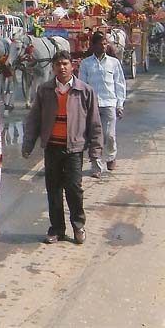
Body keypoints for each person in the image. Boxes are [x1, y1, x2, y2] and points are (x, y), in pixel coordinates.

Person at [22, 50, 103, 245]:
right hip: (52, 148)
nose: (62, 67)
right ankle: (56, 229)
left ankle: (78, 226)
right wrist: (28, 144)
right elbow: (34, 119)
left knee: (74, 189)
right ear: (53, 68)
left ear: (72, 66)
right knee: (54, 190)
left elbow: (95, 123)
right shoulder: (45, 90)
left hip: (74, 149)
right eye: (58, 64)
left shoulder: (85, 91)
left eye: (65, 64)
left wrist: (95, 151)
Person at [78, 31, 126, 171]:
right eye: (100, 44)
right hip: (92, 105)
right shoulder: (86, 64)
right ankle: (96, 165)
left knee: (109, 135)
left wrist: (120, 105)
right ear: (93, 45)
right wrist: (82, 105)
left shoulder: (114, 63)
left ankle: (111, 157)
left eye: (105, 44)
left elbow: (120, 84)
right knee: (94, 136)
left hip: (109, 103)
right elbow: (82, 85)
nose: (104, 46)